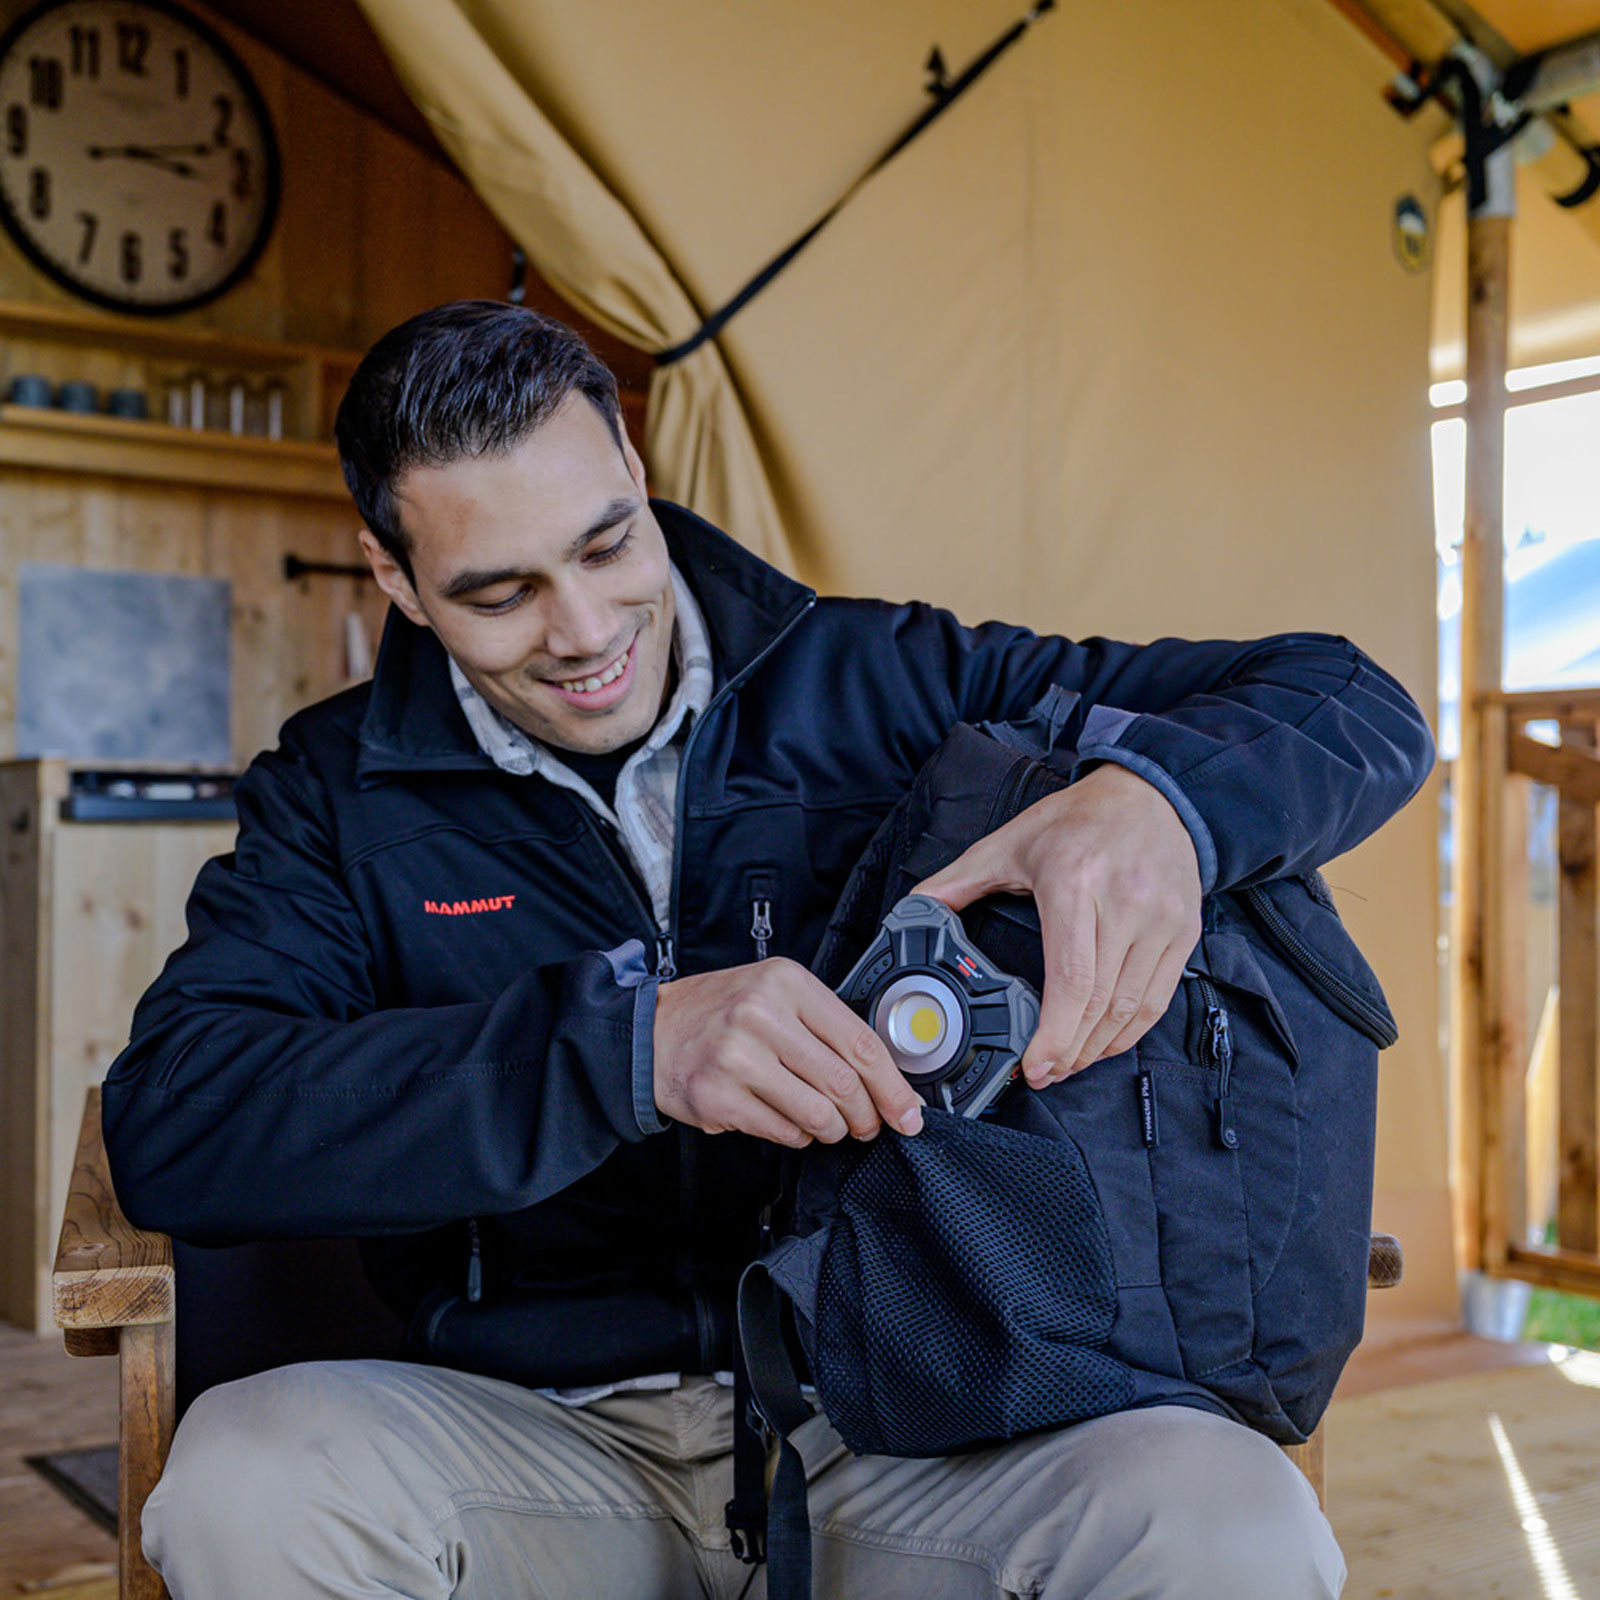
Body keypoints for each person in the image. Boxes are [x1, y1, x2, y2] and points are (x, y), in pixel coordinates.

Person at [102, 299, 1432, 1600]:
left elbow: (1349, 700)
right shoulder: (332, 794)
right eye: (500, 594)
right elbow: (180, 1115)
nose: (583, 631)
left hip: (914, 1431)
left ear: (635, 472)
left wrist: (1164, 804)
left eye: (607, 545)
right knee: (246, 1486)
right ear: (394, 576)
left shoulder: (889, 682)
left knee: (1228, 1523)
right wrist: (625, 1052)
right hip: (532, 1436)